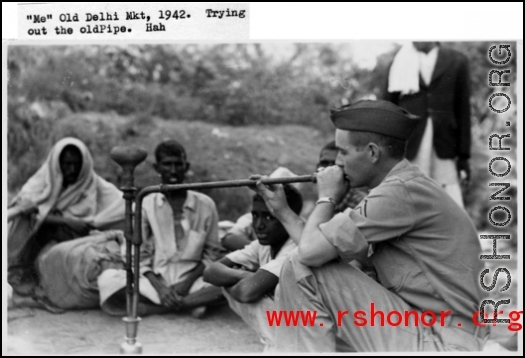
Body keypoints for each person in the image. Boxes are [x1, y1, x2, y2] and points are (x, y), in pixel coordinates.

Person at [254, 100, 487, 352]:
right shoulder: (402, 187)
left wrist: (327, 197)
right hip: (431, 330)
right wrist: (282, 211)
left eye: (343, 152)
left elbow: (308, 254)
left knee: (299, 267)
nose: (337, 164)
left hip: (441, 340)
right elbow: (319, 248)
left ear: (373, 153)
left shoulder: (398, 193)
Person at [99, 140, 224, 318]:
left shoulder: (205, 204)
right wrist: (161, 288)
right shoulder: (146, 203)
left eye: (177, 164)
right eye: (167, 164)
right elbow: (137, 255)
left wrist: (186, 284)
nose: (173, 171)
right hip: (156, 280)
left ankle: (160, 307)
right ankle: (188, 304)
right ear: (157, 168)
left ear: (186, 167)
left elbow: (212, 253)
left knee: (229, 284)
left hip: (194, 279)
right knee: (107, 280)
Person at [8, 137, 126, 298]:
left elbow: (120, 203)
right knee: (25, 219)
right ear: (57, 163)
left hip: (72, 239)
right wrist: (66, 220)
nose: (72, 170)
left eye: (77, 165)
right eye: (67, 164)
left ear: (84, 165)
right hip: (37, 238)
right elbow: (24, 207)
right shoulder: (43, 179)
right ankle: (19, 269)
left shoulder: (90, 182)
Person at [203, 184, 303, 351]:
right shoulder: (264, 244)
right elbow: (210, 271)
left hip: (306, 327)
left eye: (269, 217)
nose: (259, 225)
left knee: (248, 292)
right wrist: (244, 275)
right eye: (255, 216)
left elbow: (246, 292)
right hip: (286, 324)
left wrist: (239, 280)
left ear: (288, 217)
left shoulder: (295, 247)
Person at [383, 41, 471, 207]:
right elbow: (388, 107)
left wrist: (464, 155)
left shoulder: (457, 60)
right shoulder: (399, 61)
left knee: (446, 192)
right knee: (410, 189)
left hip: (444, 139)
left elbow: (463, 109)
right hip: (411, 139)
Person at [316, 141, 368, 212]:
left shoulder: (363, 206)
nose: (329, 169)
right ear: (317, 167)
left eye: (335, 164)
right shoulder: (320, 198)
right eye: (324, 163)